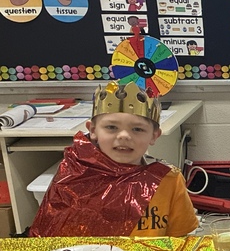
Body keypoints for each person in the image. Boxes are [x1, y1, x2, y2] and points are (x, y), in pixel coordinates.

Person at [31, 82, 198, 238]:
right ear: (93, 130)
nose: (124, 136)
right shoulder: (74, 176)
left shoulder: (168, 180)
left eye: (137, 129)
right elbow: (50, 242)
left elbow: (180, 240)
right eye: (111, 127)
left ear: (154, 136)